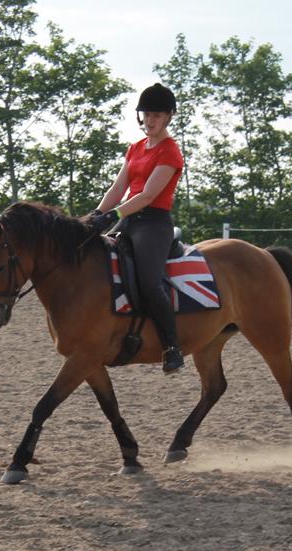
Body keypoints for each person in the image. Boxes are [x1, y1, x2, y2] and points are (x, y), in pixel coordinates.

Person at [89, 82, 185, 374]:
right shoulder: (135, 149)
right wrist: (95, 214)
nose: (150, 120)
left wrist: (113, 214)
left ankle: (172, 347)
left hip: (154, 222)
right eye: (146, 114)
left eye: (157, 115)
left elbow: (147, 196)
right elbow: (118, 188)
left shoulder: (170, 152)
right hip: (128, 218)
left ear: (168, 117)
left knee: (148, 281)